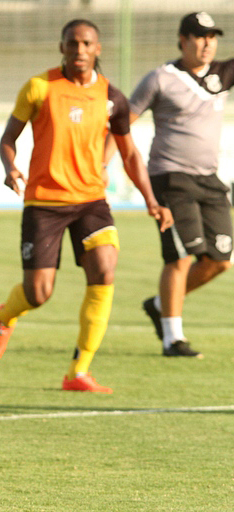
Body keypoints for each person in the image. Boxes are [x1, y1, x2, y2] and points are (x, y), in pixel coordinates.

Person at [0, 20, 173, 393]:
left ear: (98, 49)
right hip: (44, 202)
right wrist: (10, 167)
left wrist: (151, 200)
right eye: (73, 43)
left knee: (105, 268)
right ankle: (5, 317)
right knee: (38, 293)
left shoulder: (112, 99)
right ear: (62, 48)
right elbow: (8, 138)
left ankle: (78, 371)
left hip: (90, 201)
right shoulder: (39, 88)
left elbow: (129, 152)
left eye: (87, 43)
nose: (80, 49)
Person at [127, 12, 234, 358]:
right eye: (200, 37)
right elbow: (122, 123)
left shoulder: (223, 73)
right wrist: (100, 163)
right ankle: (173, 338)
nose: (207, 44)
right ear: (183, 39)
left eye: (212, 37)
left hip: (210, 177)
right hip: (170, 178)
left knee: (220, 259)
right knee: (180, 257)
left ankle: (160, 304)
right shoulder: (161, 78)